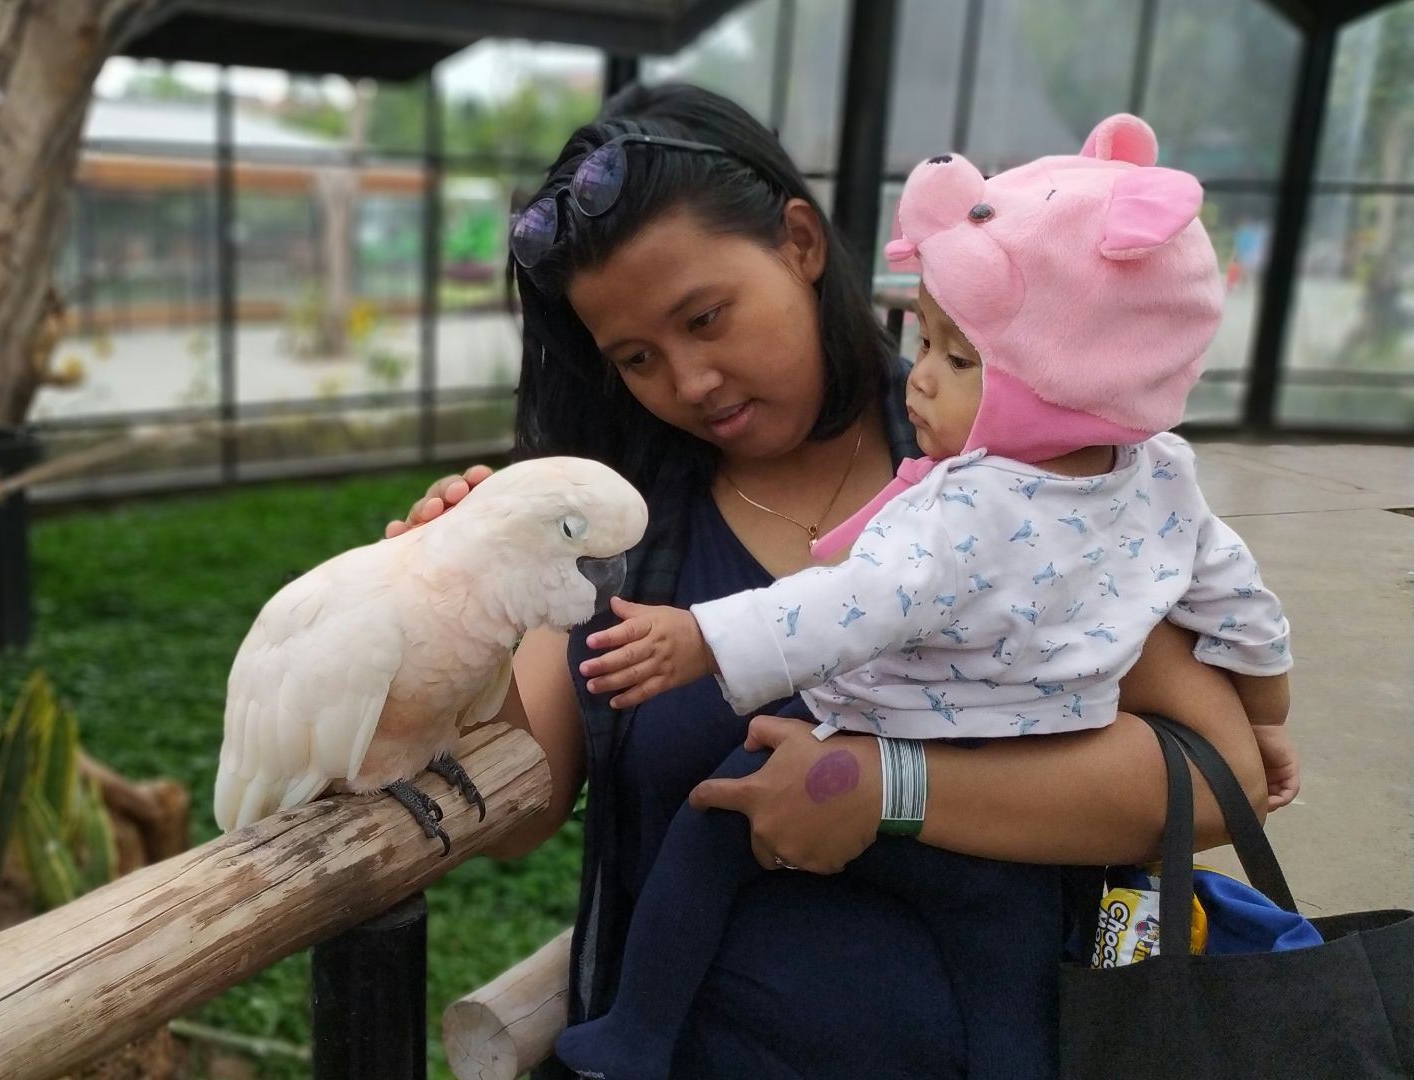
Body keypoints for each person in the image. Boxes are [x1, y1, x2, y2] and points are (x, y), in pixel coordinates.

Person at [384, 83, 1270, 1078]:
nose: (690, 381)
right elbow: (525, 806)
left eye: (707, 317)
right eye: (636, 357)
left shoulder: (1016, 467)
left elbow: (1217, 772)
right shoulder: (619, 529)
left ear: (800, 243)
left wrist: (888, 788)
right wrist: (465, 609)